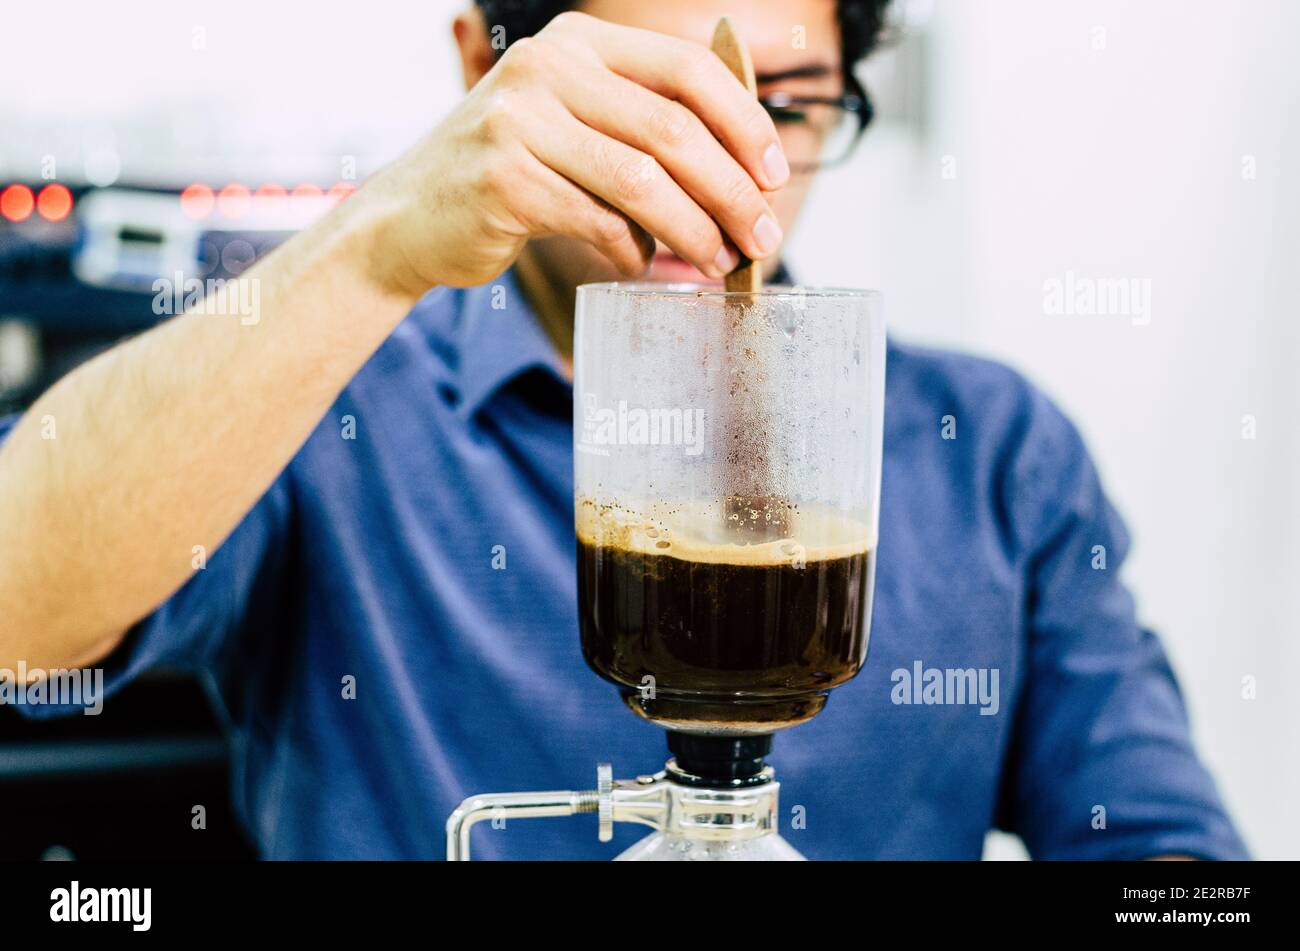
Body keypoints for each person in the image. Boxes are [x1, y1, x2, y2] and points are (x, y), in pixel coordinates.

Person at [0, 0, 1246, 859]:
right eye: (645, 109)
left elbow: (1167, 866)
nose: (725, 178)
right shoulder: (327, 407)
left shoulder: (997, 456)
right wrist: (379, 240)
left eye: (789, 111)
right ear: (484, 67)